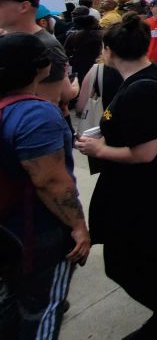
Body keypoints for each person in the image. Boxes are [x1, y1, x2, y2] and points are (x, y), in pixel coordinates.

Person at [74, 14, 157, 339]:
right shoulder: (154, 71)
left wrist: (99, 149)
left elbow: (145, 152)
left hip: (149, 194)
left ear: (109, 51)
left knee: (122, 262)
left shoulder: (138, 91)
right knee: (148, 254)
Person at [0, 33, 89, 340]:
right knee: (44, 309)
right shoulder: (34, 112)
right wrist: (77, 225)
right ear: (39, 68)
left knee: (10, 302)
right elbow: (51, 182)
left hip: (7, 229)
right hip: (35, 230)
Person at [63, 6, 103, 82]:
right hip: (98, 65)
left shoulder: (74, 35)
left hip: (80, 65)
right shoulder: (100, 35)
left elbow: (66, 52)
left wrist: (71, 60)